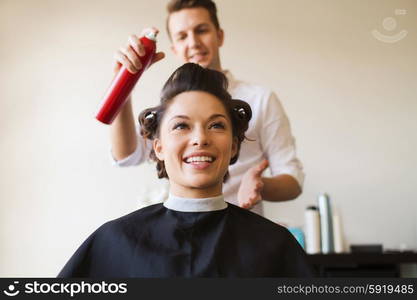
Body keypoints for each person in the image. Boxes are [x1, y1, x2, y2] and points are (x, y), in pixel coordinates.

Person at [59, 63, 312, 277]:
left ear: (234, 145)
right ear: (158, 147)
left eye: (216, 125)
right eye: (181, 126)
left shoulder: (274, 246)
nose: (200, 138)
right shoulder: (115, 242)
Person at [111, 0, 304, 215]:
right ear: (174, 48)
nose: (193, 43)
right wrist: (122, 82)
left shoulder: (261, 99)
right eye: (182, 36)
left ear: (219, 36)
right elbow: (127, 155)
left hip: (240, 231)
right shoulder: (171, 106)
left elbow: (292, 180)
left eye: (201, 30)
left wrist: (261, 185)